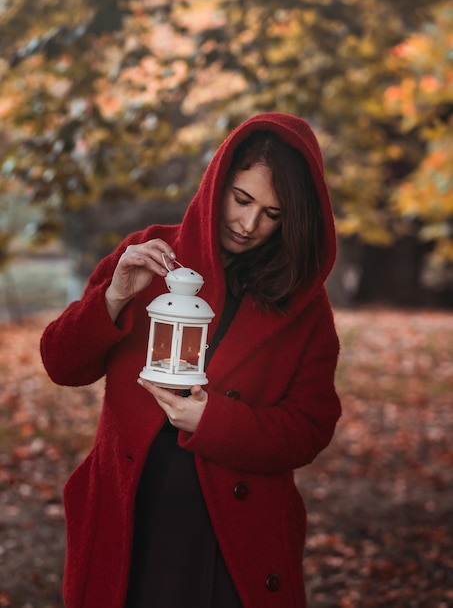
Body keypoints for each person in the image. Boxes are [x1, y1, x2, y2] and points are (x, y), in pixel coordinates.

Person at [40, 112, 342, 608]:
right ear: (219, 180)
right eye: (242, 199)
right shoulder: (146, 255)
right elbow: (60, 363)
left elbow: (310, 428)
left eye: (274, 214)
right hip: (131, 518)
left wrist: (212, 420)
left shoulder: (302, 306)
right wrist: (112, 298)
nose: (249, 225)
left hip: (233, 537)